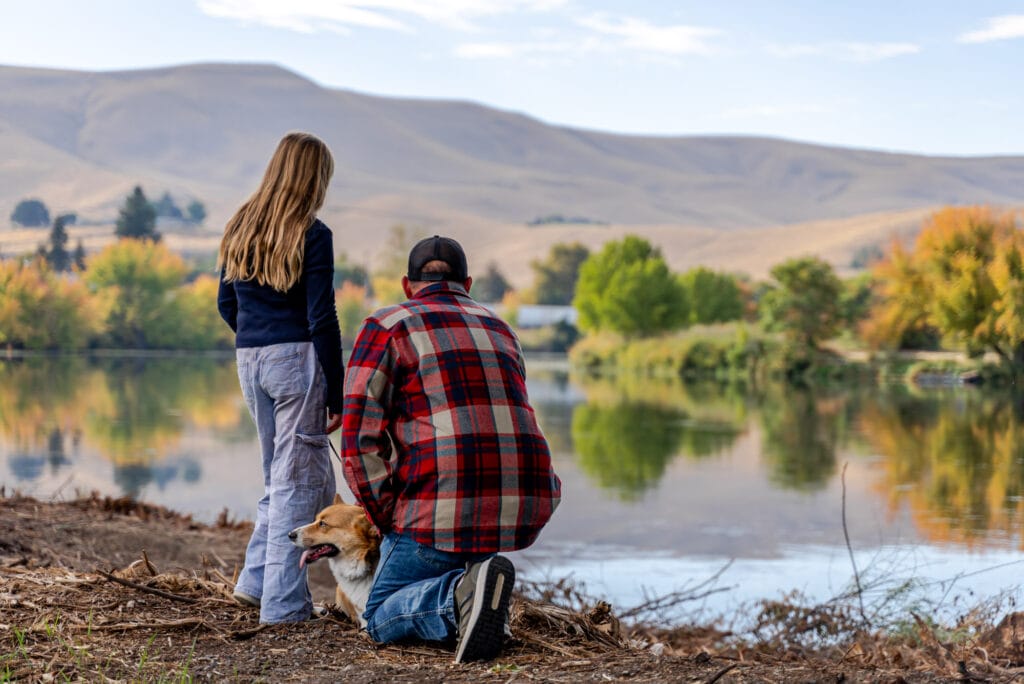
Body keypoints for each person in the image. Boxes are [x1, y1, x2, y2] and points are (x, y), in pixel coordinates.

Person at [341, 235, 561, 662]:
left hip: (436, 514)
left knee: (379, 615)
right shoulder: (501, 329)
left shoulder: (387, 326)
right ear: (469, 283)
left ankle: (455, 595)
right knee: (461, 555)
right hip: (513, 510)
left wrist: (386, 516)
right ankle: (473, 584)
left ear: (408, 285)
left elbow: (356, 440)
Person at [216, 132, 343, 623]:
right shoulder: (312, 233)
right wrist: (338, 387)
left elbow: (228, 305)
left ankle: (253, 583)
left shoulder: (239, 226)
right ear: (312, 179)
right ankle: (284, 606)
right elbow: (322, 318)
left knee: (281, 475)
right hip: (297, 358)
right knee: (295, 481)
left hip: (249, 357)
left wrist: (257, 341)